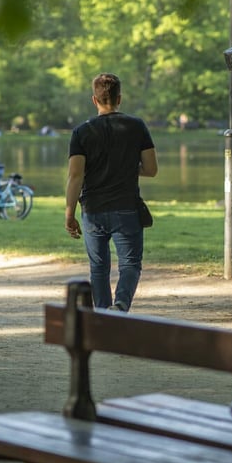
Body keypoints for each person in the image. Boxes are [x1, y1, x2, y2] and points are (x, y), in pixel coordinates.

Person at [65, 73, 158, 312]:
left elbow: (75, 176)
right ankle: (121, 305)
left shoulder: (81, 132)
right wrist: (125, 167)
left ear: (94, 100)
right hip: (126, 207)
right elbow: (151, 169)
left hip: (92, 209)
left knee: (98, 267)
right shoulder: (136, 126)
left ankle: (103, 316)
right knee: (130, 264)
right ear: (120, 98)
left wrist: (69, 213)